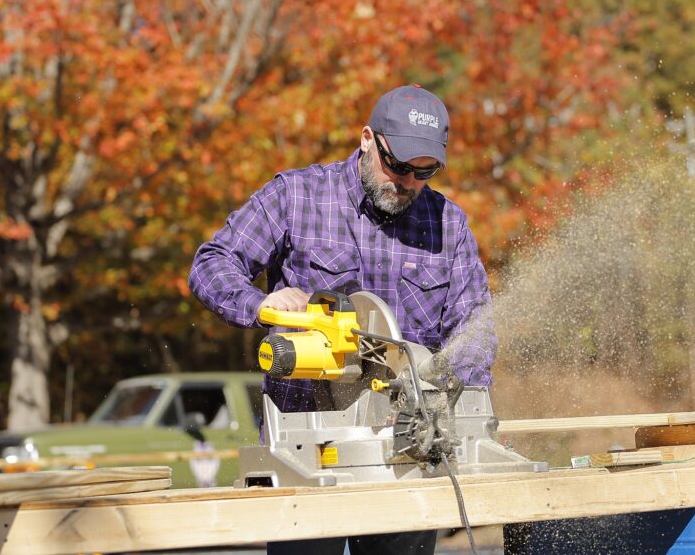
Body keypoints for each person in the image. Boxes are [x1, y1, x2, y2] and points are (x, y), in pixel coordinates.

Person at [188, 84, 497, 555]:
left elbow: (475, 328)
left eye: (426, 171)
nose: (410, 182)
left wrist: (441, 393)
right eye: (398, 166)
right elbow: (212, 262)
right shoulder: (297, 197)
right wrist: (259, 304)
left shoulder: (447, 224)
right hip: (304, 447)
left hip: (405, 451)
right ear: (368, 140)